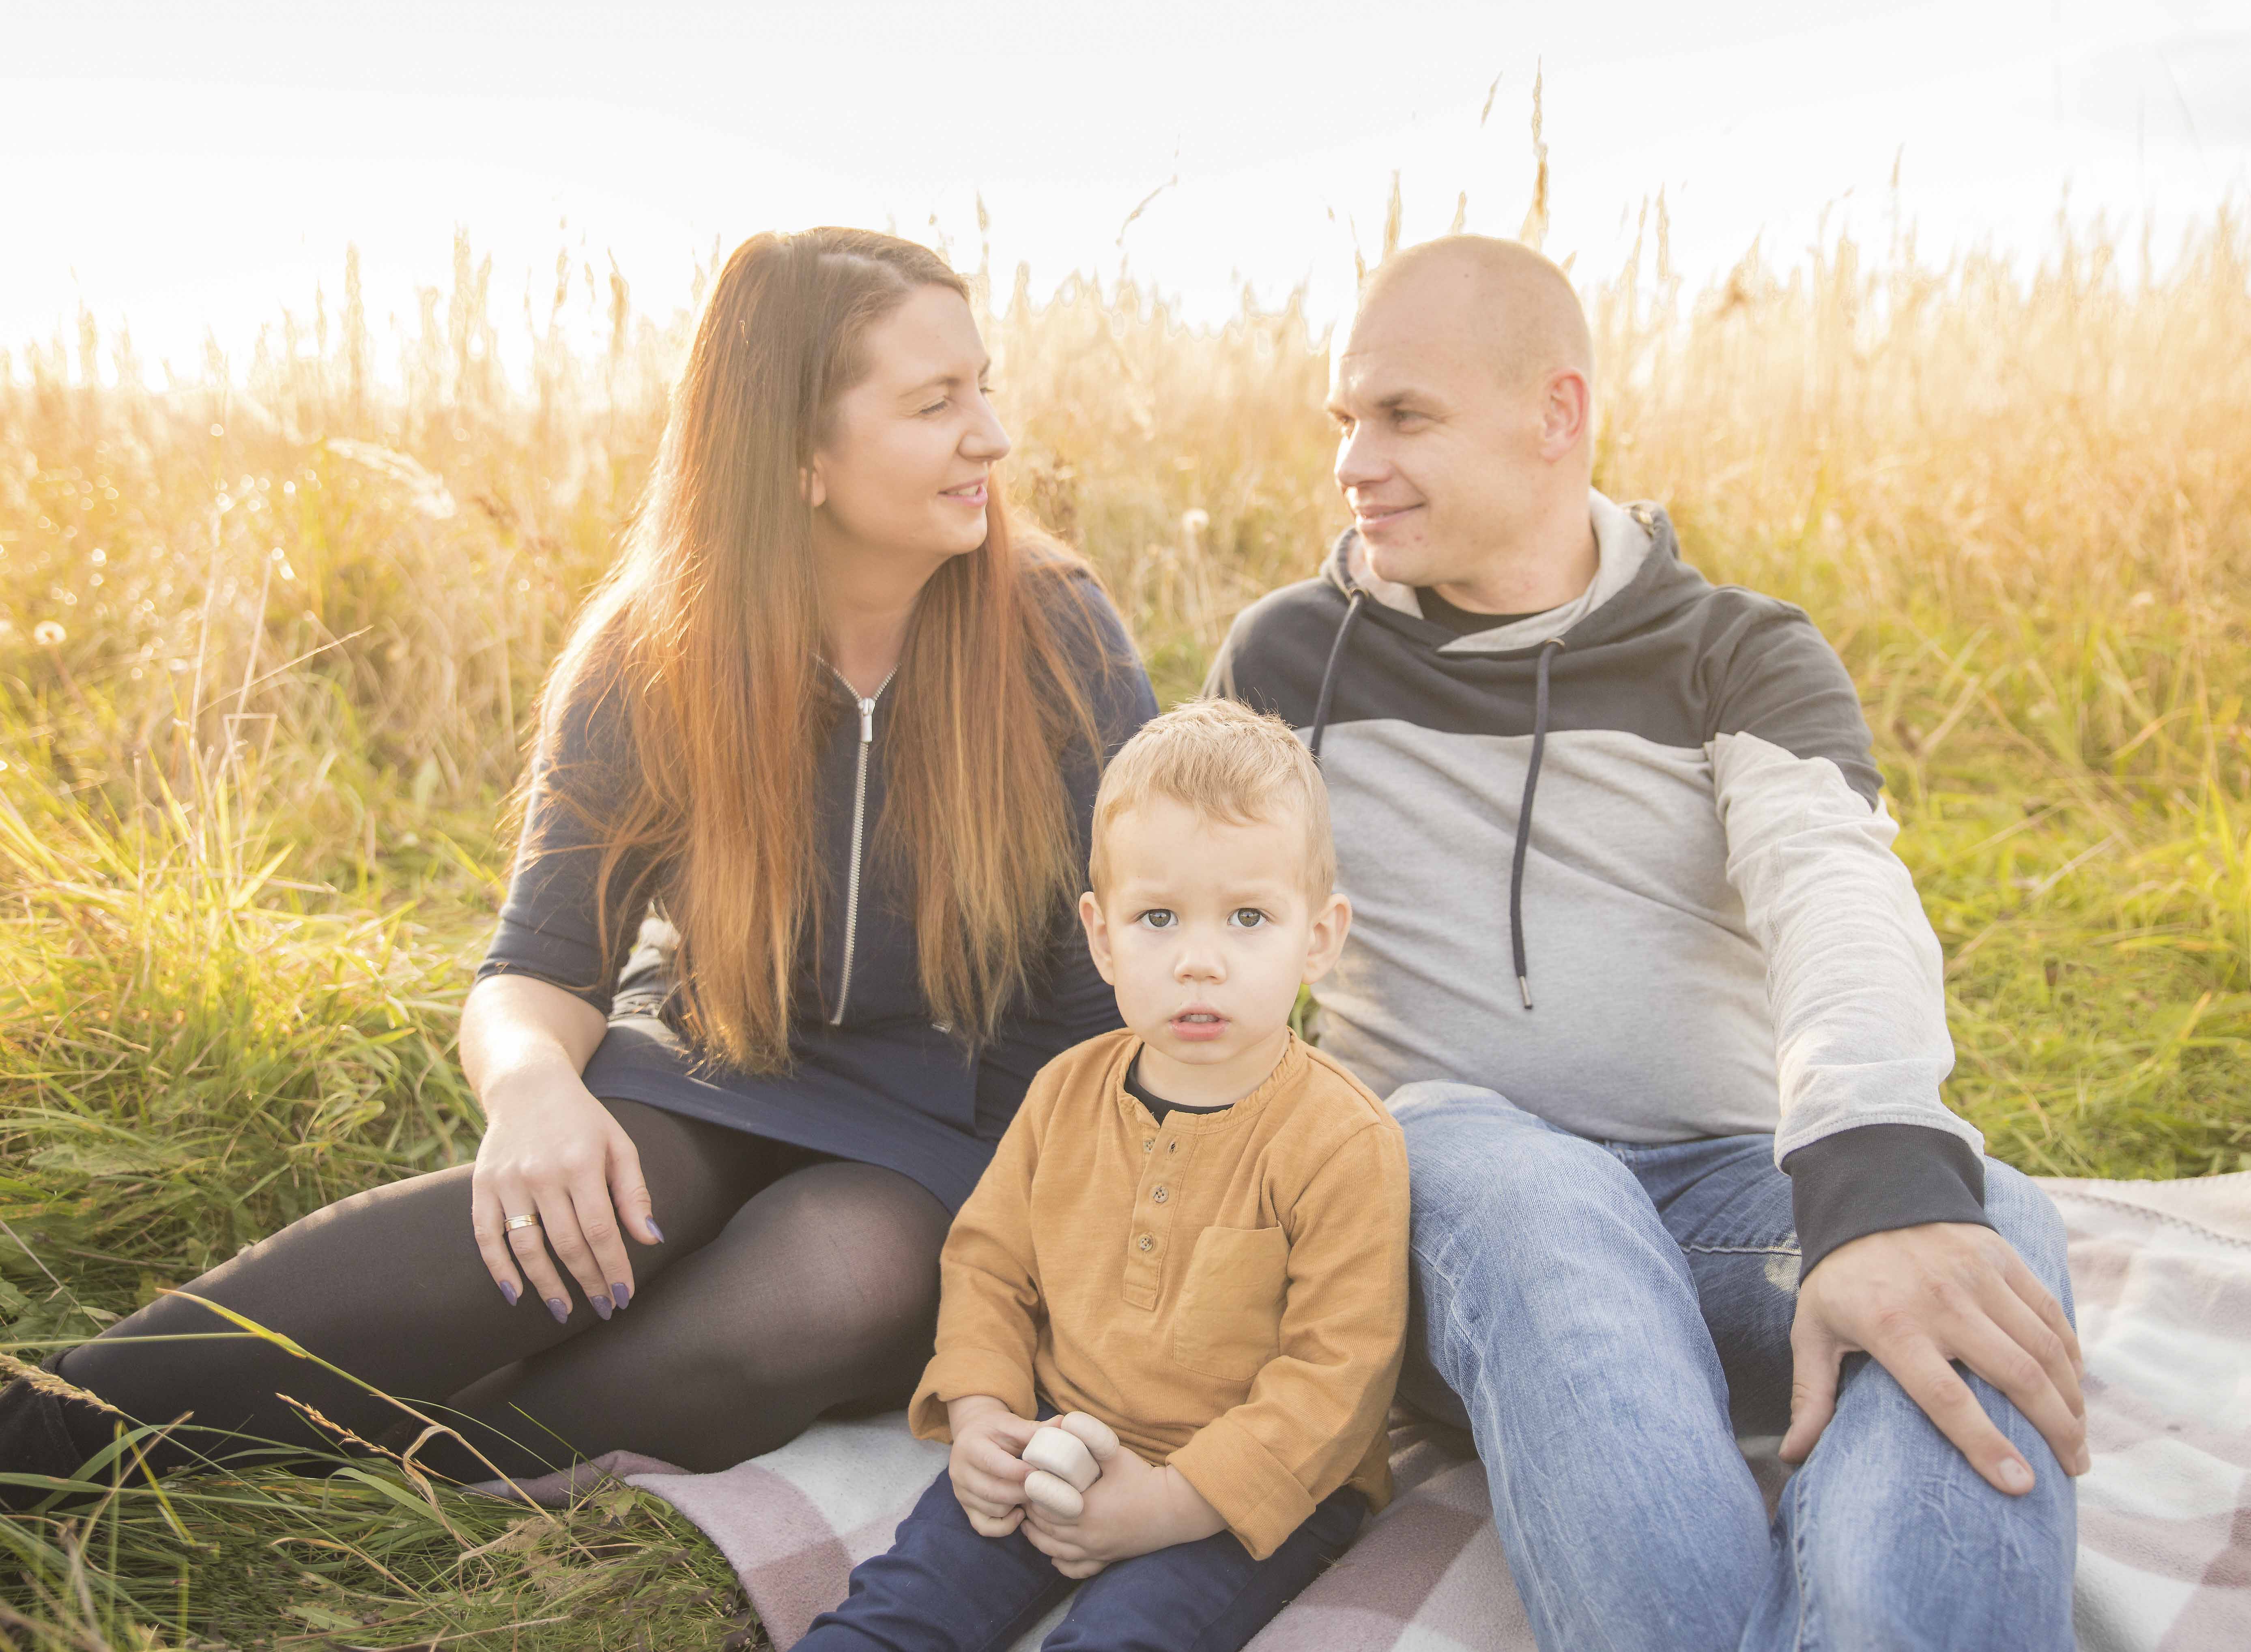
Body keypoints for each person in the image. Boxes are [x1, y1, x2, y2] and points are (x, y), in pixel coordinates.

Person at [0, 228, 1159, 1499]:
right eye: (937, 404)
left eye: (982, 386)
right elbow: (538, 965)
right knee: (555, 1221)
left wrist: (1072, 1236)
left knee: (837, 1279)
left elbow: (1117, 976)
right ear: (798, 454)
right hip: (713, 1068)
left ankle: (417, 1470)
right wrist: (535, 1089)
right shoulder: (656, 649)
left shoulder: (1059, 636)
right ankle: (41, 1434)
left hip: (965, 1121)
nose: (992, 435)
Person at [1206, 235, 2084, 1652]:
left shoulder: (1736, 651)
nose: (1354, 463)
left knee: (1988, 1222)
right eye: (1345, 420)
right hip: (1447, 1208)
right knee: (1528, 1182)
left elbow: (1835, 890)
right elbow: (1185, 915)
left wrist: (1876, 1181)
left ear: (1556, 415)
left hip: (1716, 1201)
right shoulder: (1287, 659)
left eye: (1405, 416)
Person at [793, 699, 1410, 1652]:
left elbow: (1337, 1380)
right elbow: (990, 1266)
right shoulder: (1065, 1094)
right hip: (1060, 1433)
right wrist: (984, 1415)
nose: (1199, 962)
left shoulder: (1342, 1142)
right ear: (1102, 936)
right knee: (900, 1607)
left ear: (1319, 938)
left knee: (1127, 1635)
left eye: (1249, 918)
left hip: (1248, 1487)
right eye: (1158, 918)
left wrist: (1170, 1505)